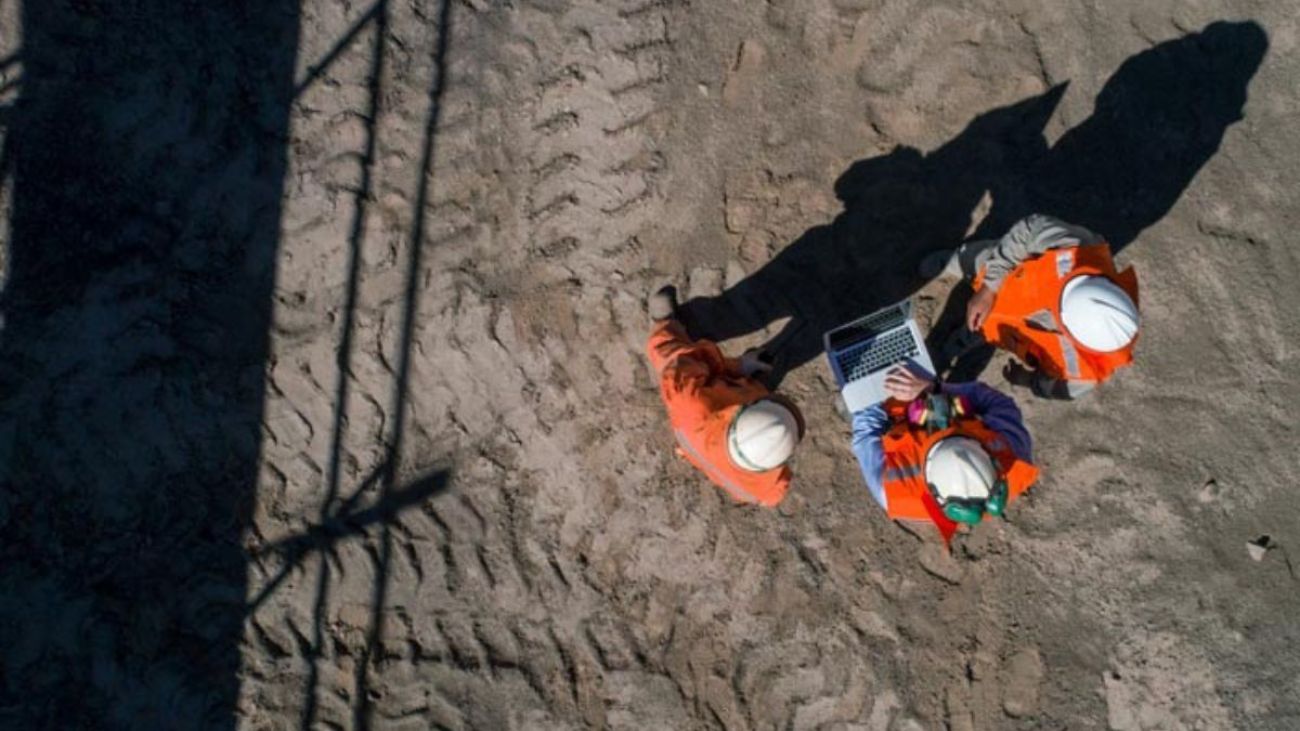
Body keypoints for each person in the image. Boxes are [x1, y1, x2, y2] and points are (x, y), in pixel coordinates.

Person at [920, 214, 1140, 399]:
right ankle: (951, 261)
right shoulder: (1078, 247)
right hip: (1003, 278)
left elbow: (1060, 389)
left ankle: (958, 343)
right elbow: (1028, 230)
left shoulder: (1087, 369)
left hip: (1010, 332)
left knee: (981, 332)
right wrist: (989, 288)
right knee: (974, 259)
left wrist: (1027, 380)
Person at [646, 285, 804, 507]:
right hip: (708, 439)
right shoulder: (767, 489)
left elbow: (689, 361)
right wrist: (741, 368)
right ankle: (667, 326)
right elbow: (770, 496)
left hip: (699, 430)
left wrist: (739, 366)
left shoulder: (689, 401)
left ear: (738, 412)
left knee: (672, 355)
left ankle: (665, 326)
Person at [851, 368, 1038, 542]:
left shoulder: (892, 490)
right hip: (929, 388)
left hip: (892, 407)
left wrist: (878, 390)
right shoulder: (1014, 455)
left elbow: (865, 430)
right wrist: (934, 387)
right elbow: (1000, 404)